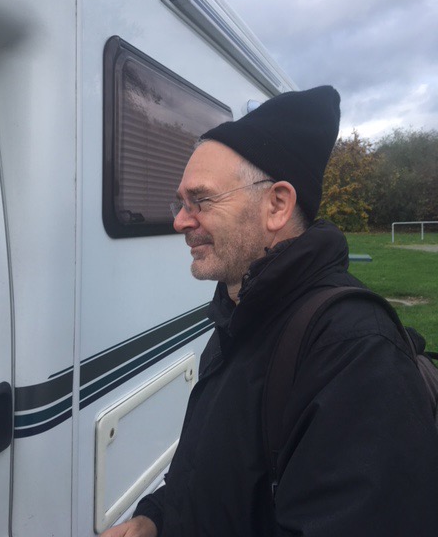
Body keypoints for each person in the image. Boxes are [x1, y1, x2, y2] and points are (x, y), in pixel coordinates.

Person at [102, 86, 438, 537]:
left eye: (200, 200)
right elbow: (216, 471)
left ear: (277, 205)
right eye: (179, 202)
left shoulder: (354, 352)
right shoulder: (240, 314)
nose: (180, 220)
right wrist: (156, 518)